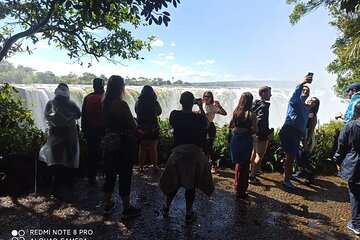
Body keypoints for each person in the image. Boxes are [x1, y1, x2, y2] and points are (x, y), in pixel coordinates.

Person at [159, 91, 214, 224]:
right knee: (191, 186)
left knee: (173, 183)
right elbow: (207, 124)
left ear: (180, 102)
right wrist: (200, 107)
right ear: (192, 103)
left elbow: (174, 124)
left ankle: (166, 208)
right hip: (194, 155)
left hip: (177, 154)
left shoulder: (174, 115)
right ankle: (188, 213)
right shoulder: (198, 118)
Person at [101, 75, 141, 218]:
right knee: (125, 175)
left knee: (109, 174)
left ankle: (107, 205)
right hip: (123, 143)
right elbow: (133, 124)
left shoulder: (104, 102)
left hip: (109, 140)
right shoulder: (121, 104)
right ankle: (126, 208)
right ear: (120, 87)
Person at [38, 83, 81, 198]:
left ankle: (56, 185)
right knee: (71, 156)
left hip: (55, 135)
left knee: (56, 160)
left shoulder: (50, 103)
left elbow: (46, 116)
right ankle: (69, 182)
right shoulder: (71, 104)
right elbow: (78, 115)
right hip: (70, 134)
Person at [279, 74, 313, 190]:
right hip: (289, 130)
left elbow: (303, 125)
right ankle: (286, 180)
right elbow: (295, 95)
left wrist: (304, 141)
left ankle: (288, 176)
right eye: (303, 90)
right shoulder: (295, 101)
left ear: (309, 94)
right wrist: (301, 83)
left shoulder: (305, 107)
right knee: (290, 156)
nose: (304, 91)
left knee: (291, 157)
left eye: (306, 90)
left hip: (297, 133)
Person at [333, 102, 360, 236]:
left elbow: (342, 145)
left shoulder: (351, 125)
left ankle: (356, 224)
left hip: (354, 165)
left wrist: (337, 160)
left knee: (355, 194)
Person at [229, 92, 258, 199]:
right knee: (245, 165)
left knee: (238, 162)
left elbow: (230, 125)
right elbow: (255, 130)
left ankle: (237, 184)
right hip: (245, 139)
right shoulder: (251, 114)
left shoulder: (236, 111)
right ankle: (242, 190)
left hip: (236, 138)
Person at [81, 78, 105, 184]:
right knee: (107, 153)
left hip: (91, 130)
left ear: (94, 86)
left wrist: (84, 130)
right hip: (104, 130)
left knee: (92, 154)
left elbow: (84, 116)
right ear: (103, 85)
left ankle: (91, 177)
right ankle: (107, 175)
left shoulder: (87, 98)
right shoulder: (106, 97)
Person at [249, 86, 274, 184]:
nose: (270, 95)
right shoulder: (264, 106)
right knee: (260, 155)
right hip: (261, 134)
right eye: (269, 93)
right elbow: (261, 121)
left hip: (254, 132)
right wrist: (268, 132)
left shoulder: (255, 103)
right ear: (263, 93)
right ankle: (252, 177)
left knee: (254, 152)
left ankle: (252, 170)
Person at [293, 97, 320, 184]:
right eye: (310, 99)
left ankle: (310, 175)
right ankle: (301, 171)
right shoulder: (305, 112)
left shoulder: (312, 115)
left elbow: (311, 130)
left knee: (303, 157)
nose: (310, 101)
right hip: (300, 136)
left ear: (315, 105)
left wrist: (307, 142)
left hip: (307, 137)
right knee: (298, 155)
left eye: (313, 101)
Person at [135, 85, 162, 173]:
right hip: (153, 128)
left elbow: (136, 111)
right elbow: (159, 112)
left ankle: (141, 167)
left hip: (142, 128)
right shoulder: (154, 102)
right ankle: (154, 167)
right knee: (153, 149)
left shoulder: (138, 102)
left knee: (142, 149)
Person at [201, 91, 227, 174]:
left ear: (211, 98)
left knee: (209, 146)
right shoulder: (203, 105)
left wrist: (219, 106)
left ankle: (214, 165)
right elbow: (200, 113)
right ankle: (205, 165)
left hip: (210, 128)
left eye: (208, 96)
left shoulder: (213, 107)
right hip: (203, 128)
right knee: (204, 146)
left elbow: (224, 113)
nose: (206, 98)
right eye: (204, 96)